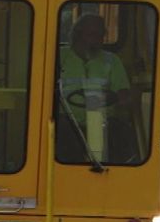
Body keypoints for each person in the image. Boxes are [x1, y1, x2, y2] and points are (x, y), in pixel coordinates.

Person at [57, 13, 134, 162]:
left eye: (101, 35)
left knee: (121, 132)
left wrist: (116, 98)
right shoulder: (59, 57)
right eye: (92, 34)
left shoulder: (112, 61)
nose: (97, 40)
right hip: (67, 122)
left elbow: (124, 95)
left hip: (103, 122)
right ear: (77, 35)